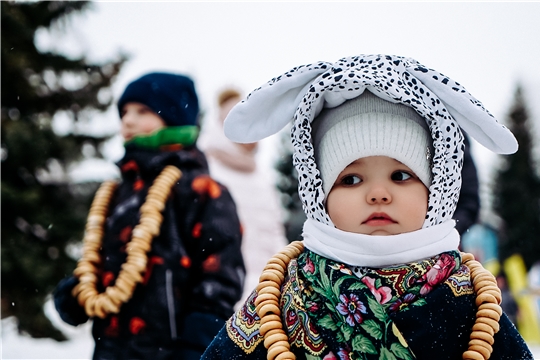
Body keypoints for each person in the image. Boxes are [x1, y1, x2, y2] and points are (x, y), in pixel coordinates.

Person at [201, 54, 533, 359]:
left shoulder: (471, 301)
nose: (377, 194)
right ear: (319, 194)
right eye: (350, 180)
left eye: (401, 175)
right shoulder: (282, 297)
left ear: (437, 189)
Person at [53, 72, 245, 360]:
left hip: (171, 352)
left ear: (174, 119)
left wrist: (196, 346)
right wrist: (78, 293)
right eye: (124, 112)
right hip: (110, 349)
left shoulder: (202, 191)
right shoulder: (116, 194)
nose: (127, 121)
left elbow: (218, 280)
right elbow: (104, 262)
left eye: (142, 111)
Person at [198, 87, 289, 305]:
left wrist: (285, 276)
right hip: (220, 293)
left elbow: (275, 232)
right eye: (244, 124)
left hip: (266, 292)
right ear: (226, 127)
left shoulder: (261, 177)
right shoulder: (206, 170)